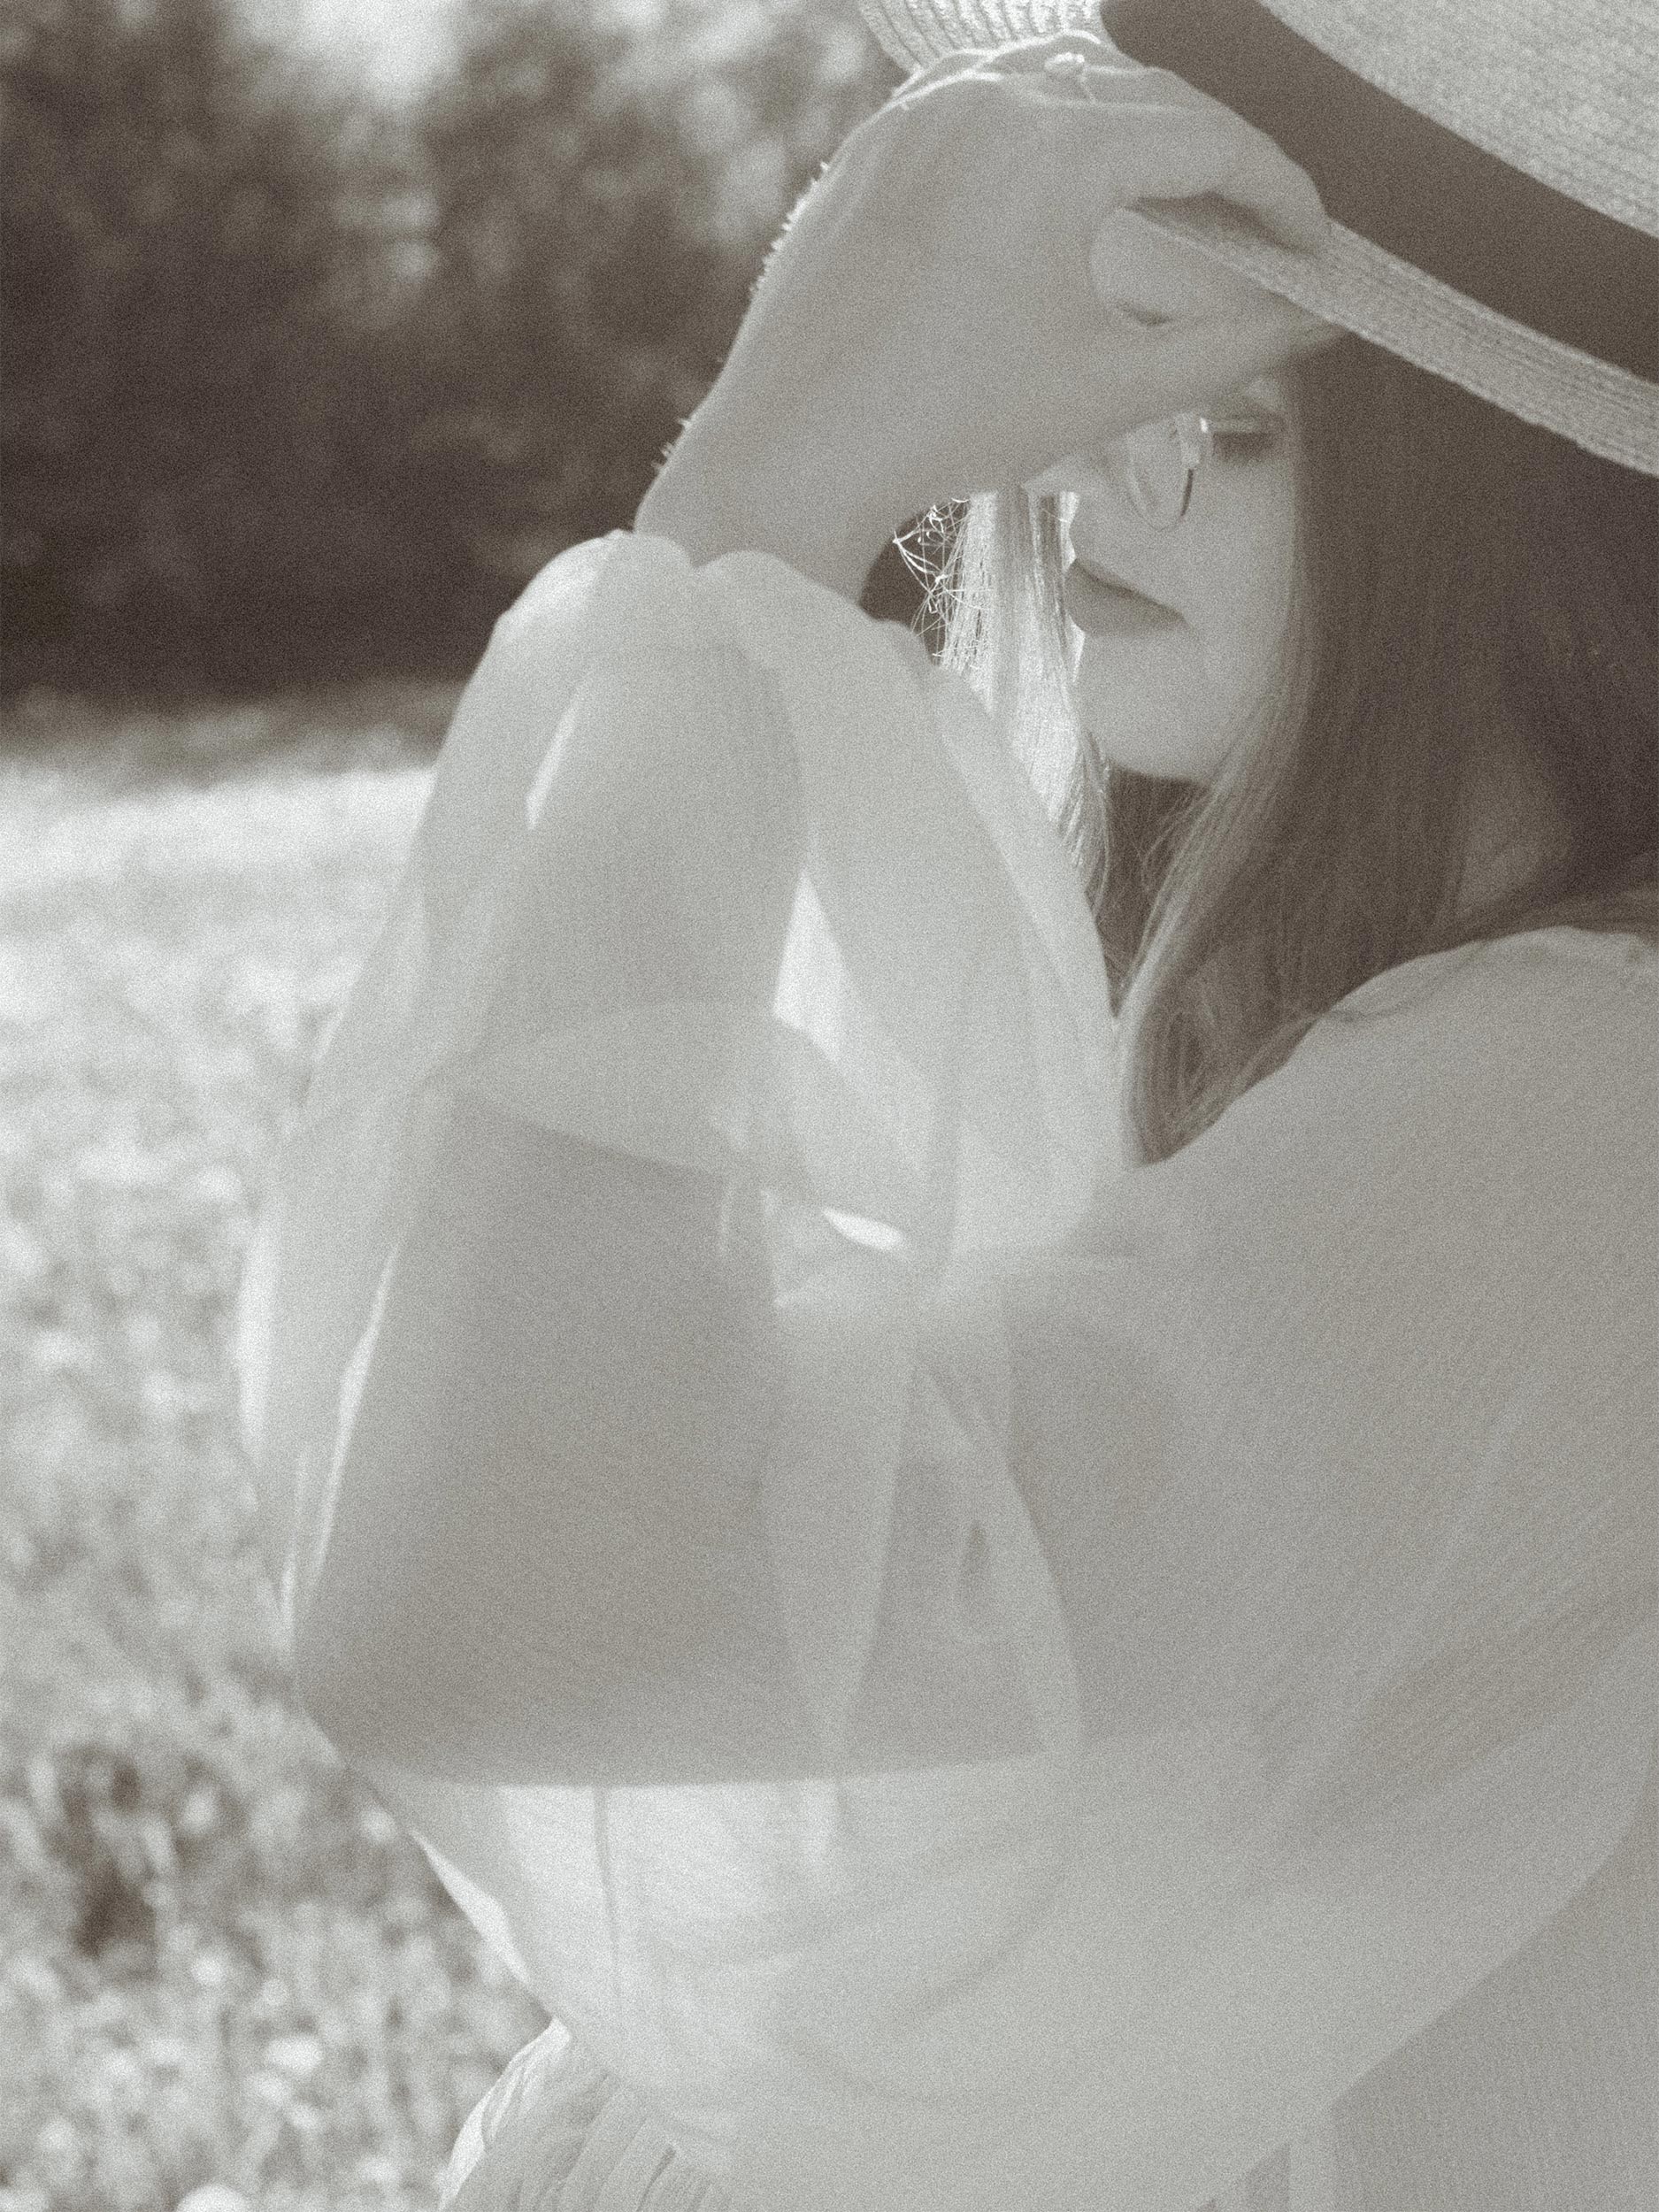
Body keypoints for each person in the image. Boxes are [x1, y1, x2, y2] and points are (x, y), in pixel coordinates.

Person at [232, 1, 1657, 2207]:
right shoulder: (1405, 1025)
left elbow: (490, 1605)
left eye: (1234, 412)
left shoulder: (1576, 1125)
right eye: (1102, 330)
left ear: (1532, 508)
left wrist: (762, 498)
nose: (1087, 462)